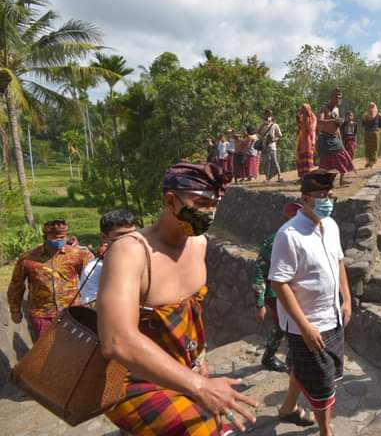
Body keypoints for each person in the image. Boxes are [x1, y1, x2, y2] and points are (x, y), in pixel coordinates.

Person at [98, 162, 258, 435]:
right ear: (170, 200)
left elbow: (192, 317)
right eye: (201, 203)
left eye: (214, 204)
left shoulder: (199, 244)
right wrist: (200, 386)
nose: (210, 212)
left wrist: (200, 365)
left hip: (182, 370)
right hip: (131, 377)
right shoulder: (130, 252)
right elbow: (117, 341)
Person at [269, 170, 352, 436]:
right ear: (305, 199)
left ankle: (287, 408)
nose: (327, 201)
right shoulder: (289, 235)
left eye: (330, 195)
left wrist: (347, 299)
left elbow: (339, 262)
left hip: (333, 316)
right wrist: (304, 327)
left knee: (306, 369)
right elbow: (278, 283)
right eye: (321, 196)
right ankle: (326, 431)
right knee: (323, 384)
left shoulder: (331, 226)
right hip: (309, 324)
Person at [7, 220, 92, 342]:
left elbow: (89, 280)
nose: (59, 241)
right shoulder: (28, 258)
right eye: (55, 238)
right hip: (42, 314)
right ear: (45, 237)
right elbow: (16, 285)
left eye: (62, 237)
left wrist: (90, 304)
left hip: (71, 312)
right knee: (45, 350)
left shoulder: (78, 255)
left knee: (73, 348)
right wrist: (15, 310)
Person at [253, 202, 303, 373]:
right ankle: (282, 360)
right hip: (276, 293)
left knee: (287, 325)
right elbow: (260, 269)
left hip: (295, 291)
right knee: (285, 326)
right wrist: (260, 303)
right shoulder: (275, 241)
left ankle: (280, 358)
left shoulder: (303, 238)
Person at [79, 209, 137, 305]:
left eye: (133, 233)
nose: (129, 239)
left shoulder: (149, 257)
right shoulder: (93, 270)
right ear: (104, 238)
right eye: (121, 235)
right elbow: (90, 305)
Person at [317, 89, 354, 186]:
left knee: (344, 157)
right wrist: (332, 120)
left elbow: (337, 127)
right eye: (336, 97)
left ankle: (341, 180)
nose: (338, 99)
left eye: (340, 98)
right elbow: (319, 121)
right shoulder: (324, 108)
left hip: (335, 138)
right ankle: (322, 183)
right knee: (325, 163)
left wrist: (340, 140)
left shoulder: (337, 109)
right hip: (325, 139)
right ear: (331, 97)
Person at [258, 110, 284, 183]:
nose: (267, 116)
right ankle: (267, 178)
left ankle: (279, 176)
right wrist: (262, 125)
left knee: (274, 161)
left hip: (272, 146)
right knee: (266, 162)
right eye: (266, 115)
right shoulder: (262, 125)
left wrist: (274, 139)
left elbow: (280, 135)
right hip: (264, 146)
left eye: (269, 115)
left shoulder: (275, 125)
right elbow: (258, 132)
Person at [296, 104, 317, 178]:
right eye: (302, 108)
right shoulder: (301, 117)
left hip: (308, 139)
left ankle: (308, 175)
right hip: (301, 139)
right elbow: (299, 128)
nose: (302, 110)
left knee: (308, 155)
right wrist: (299, 122)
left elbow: (312, 128)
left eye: (304, 108)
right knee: (301, 156)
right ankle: (302, 176)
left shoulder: (312, 117)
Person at [362, 102, 381, 168]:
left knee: (368, 147)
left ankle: (368, 161)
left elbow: (363, 125)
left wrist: (365, 118)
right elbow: (380, 125)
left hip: (367, 132)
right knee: (374, 148)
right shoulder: (379, 114)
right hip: (375, 132)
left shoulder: (365, 114)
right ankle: (372, 162)